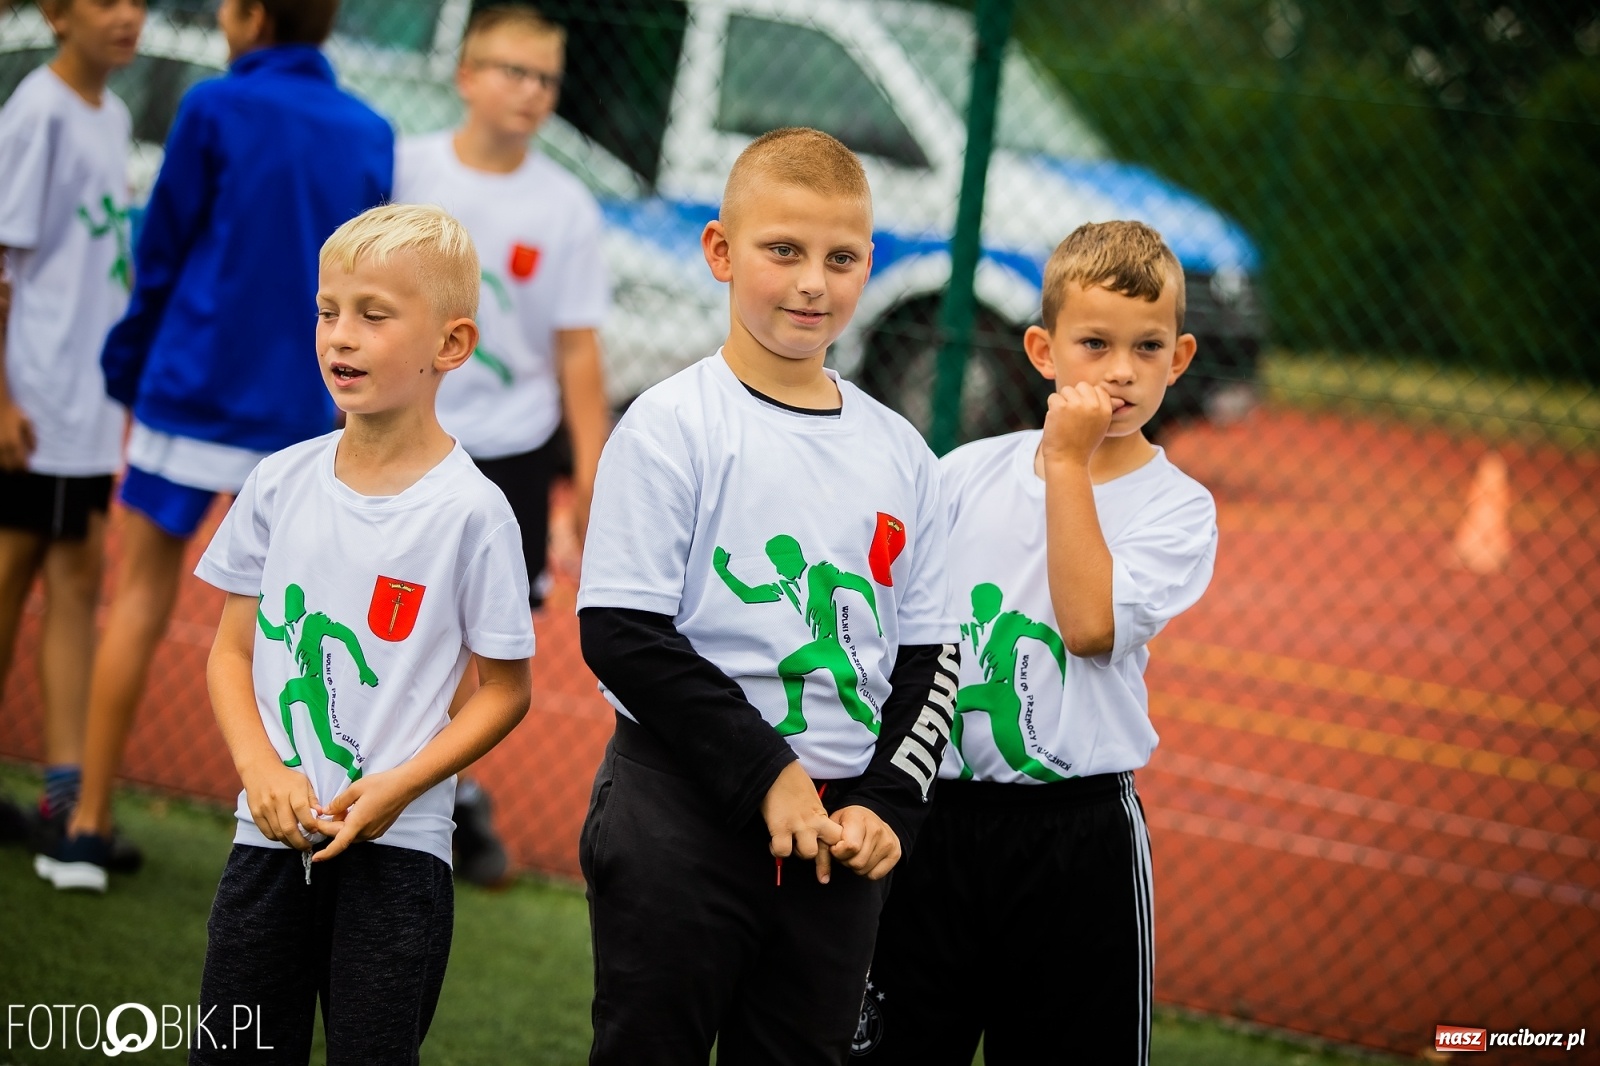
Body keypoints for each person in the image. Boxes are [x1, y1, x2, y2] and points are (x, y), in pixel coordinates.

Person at [575, 126, 960, 1065]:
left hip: (838, 836)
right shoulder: (670, 426)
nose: (811, 284)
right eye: (782, 251)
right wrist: (766, 774)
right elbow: (621, 632)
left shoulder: (904, 454)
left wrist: (886, 805)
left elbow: (930, 662)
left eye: (842, 259)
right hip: (682, 812)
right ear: (720, 252)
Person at [35, 0, 394, 890]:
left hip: (187, 392)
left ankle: (83, 823)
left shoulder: (212, 107)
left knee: (142, 599)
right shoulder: (370, 131)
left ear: (248, 14)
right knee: (291, 628)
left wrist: (127, 365)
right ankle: (296, 830)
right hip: (302, 417)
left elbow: (158, 253)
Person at [859, 221, 1220, 1065]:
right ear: (1042, 349)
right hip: (933, 818)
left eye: (1148, 346)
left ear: (1181, 358)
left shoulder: (1178, 508)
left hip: (1075, 834)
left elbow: (1092, 625)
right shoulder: (963, 473)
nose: (1122, 370)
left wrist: (1068, 466)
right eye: (1094, 343)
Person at [186, 203, 534, 1064]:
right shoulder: (277, 482)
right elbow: (230, 653)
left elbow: (505, 692)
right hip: (266, 838)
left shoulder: (474, 514)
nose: (341, 335)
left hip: (401, 854)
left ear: (450, 347)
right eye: (327, 310)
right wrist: (260, 773)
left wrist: (397, 790)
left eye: (374, 316)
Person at [392, 1, 611, 885]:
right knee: (389, 610)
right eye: (513, 71)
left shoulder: (567, 207)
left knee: (485, 640)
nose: (531, 92)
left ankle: (438, 793)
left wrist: (591, 472)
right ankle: (368, 775)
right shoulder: (405, 168)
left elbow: (578, 350)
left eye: (547, 78)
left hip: (515, 453)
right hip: (406, 432)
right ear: (467, 75)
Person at [0, 0, 144, 853]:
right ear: (56, 15)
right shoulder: (37, 112)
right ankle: (64, 804)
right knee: (14, 573)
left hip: (86, 403)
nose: (128, 15)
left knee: (78, 576)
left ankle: (63, 801)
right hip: (39, 398)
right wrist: (5, 400)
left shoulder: (113, 111)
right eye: (104, 0)